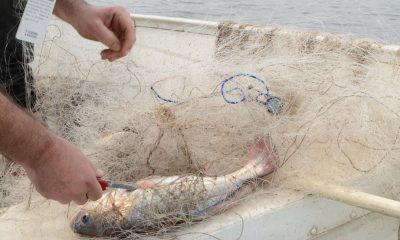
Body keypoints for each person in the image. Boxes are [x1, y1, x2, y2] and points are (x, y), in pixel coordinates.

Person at [0, 0, 136, 205]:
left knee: (17, 85)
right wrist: (41, 154)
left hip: (9, 48)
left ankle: (15, 192)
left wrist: (77, 10)